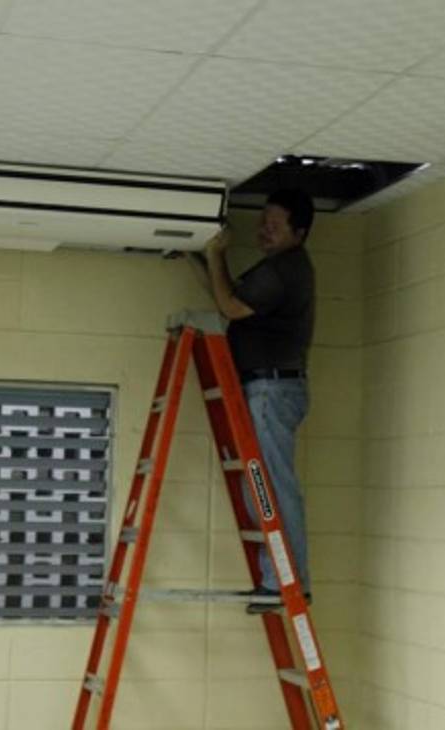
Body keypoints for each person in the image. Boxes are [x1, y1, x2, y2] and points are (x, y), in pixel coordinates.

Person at [191, 189, 316, 614]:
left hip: (271, 391)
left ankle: (288, 582)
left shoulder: (284, 270)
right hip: (266, 389)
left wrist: (213, 255)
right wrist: (203, 259)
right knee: (259, 488)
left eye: (274, 225)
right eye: (263, 221)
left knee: (272, 488)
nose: (264, 230)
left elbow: (229, 304)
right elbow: (229, 295)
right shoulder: (276, 268)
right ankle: (278, 579)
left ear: (298, 232)